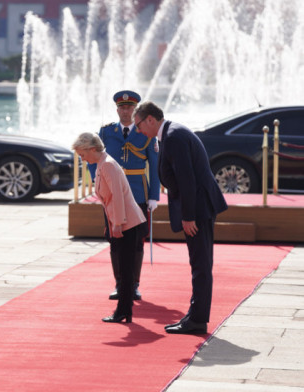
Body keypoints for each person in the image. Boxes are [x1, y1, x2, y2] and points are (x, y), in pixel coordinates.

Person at [133, 101, 228, 334]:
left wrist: (189, 216)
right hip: (199, 206)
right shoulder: (172, 133)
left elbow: (187, 179)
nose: (137, 130)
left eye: (138, 125)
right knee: (200, 263)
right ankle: (195, 315)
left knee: (201, 265)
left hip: (198, 209)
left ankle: (197, 320)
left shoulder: (173, 136)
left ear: (150, 120)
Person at [89, 90, 159, 301]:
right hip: (111, 193)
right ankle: (120, 284)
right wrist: (97, 182)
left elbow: (155, 166)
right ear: (117, 109)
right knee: (115, 239)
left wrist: (154, 195)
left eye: (130, 108)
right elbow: (93, 159)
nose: (126, 111)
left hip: (138, 191)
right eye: (122, 107)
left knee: (136, 241)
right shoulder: (106, 132)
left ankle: (134, 285)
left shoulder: (145, 132)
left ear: (135, 110)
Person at [73, 132, 146, 323]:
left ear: (92, 149)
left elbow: (118, 197)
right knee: (124, 268)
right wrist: (111, 223)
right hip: (123, 221)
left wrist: (118, 224)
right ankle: (124, 311)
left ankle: (123, 311)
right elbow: (109, 201)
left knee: (125, 269)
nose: (82, 158)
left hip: (128, 223)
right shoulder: (102, 164)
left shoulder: (107, 165)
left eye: (82, 154)